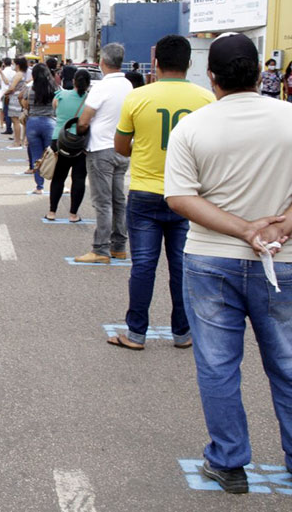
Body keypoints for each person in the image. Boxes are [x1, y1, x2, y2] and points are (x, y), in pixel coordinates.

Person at [165, 31, 292, 494]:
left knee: (219, 365)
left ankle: (229, 462)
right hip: (280, 262)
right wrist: (279, 229)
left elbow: (180, 198)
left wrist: (243, 229)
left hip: (209, 259)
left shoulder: (193, 127)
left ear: (212, 75)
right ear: (261, 72)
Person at [106, 35, 215, 350]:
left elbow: (121, 146)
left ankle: (136, 334)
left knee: (143, 265)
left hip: (144, 192)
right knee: (182, 267)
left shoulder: (138, 97)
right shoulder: (206, 100)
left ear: (156, 63)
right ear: (190, 64)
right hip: (188, 196)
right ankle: (183, 333)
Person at [74, 43, 133, 264]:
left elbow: (84, 119)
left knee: (103, 202)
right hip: (122, 148)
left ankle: (100, 249)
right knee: (118, 200)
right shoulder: (128, 85)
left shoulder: (101, 87)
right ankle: (119, 246)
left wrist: (79, 133)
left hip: (100, 149)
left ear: (102, 62)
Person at [47, 69, 91, 223]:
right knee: (79, 178)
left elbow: (55, 110)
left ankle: (52, 212)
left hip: (60, 140)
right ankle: (73, 214)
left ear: (73, 81)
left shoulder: (60, 95)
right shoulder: (90, 100)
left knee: (58, 177)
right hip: (81, 142)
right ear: (88, 84)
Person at [21, 63, 57, 194]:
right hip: (50, 123)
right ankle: (57, 184)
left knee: (37, 156)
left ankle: (39, 187)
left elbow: (25, 104)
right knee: (52, 156)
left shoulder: (30, 89)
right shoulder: (55, 88)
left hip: (33, 123)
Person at [3, 56, 29, 148]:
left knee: (15, 121)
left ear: (18, 65)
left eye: (14, 63)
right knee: (16, 120)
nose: (12, 65)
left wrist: (5, 93)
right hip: (17, 97)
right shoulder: (21, 73)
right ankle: (19, 140)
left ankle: (17, 142)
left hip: (15, 98)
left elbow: (12, 87)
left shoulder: (18, 74)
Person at [0, 58, 15, 135]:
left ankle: (8, 128)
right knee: (13, 112)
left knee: (6, 111)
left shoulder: (2, 72)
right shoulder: (14, 72)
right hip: (13, 93)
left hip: (4, 93)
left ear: (4, 63)